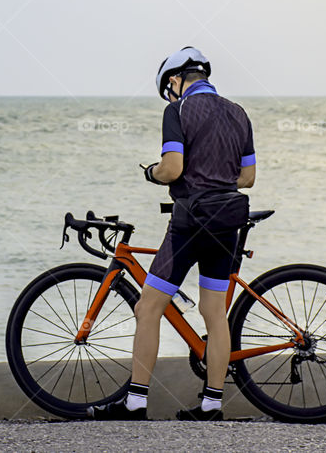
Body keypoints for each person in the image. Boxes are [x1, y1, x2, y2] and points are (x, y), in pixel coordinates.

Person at [88, 46, 256, 421]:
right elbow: (247, 178)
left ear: (176, 79)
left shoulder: (177, 111)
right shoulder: (239, 113)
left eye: (170, 87)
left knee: (148, 306)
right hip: (227, 221)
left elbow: (173, 168)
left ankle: (135, 403)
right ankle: (212, 405)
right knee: (215, 314)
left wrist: (151, 172)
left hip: (190, 222)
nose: (171, 93)